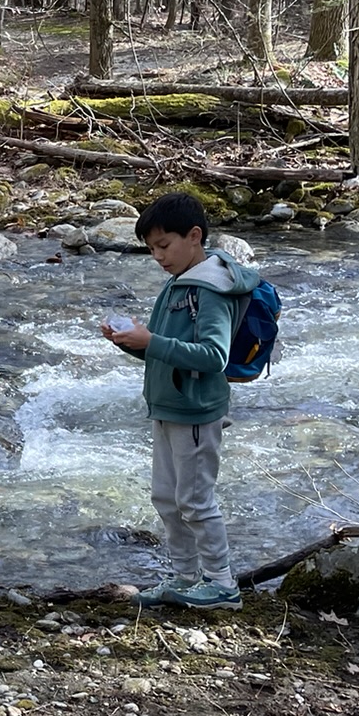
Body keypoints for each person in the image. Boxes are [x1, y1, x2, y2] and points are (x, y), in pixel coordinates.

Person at [101, 192, 261, 611]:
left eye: (163, 245)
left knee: (194, 500)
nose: (157, 256)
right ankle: (186, 577)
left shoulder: (210, 290)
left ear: (194, 236)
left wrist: (150, 340)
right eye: (151, 248)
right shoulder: (178, 284)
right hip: (169, 406)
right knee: (166, 498)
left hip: (195, 411)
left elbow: (214, 356)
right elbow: (164, 349)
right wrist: (129, 342)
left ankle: (222, 584)